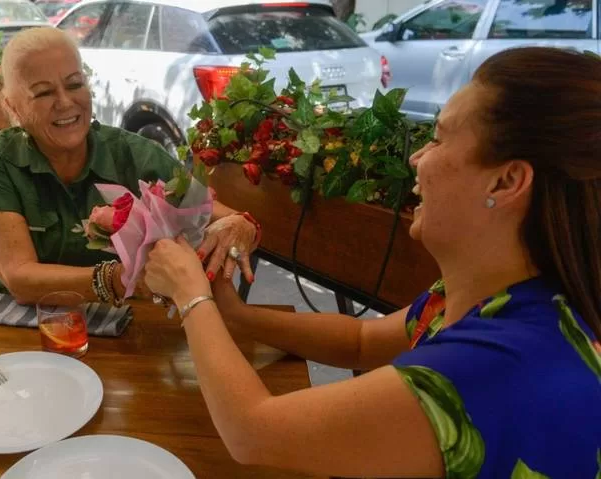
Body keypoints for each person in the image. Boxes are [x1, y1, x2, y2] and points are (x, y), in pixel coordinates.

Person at [144, 47, 601, 478]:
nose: (418, 159)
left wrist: (192, 295)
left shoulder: (494, 368)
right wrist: (235, 314)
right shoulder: (506, 297)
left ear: (505, 182)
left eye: (438, 140)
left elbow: (251, 432)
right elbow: (361, 340)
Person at [0, 27, 259, 305]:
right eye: (43, 92)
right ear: (12, 106)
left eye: (74, 84)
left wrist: (239, 225)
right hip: (19, 331)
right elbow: (20, 278)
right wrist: (119, 280)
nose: (65, 102)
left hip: (121, 329)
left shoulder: (132, 153)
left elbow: (216, 216)